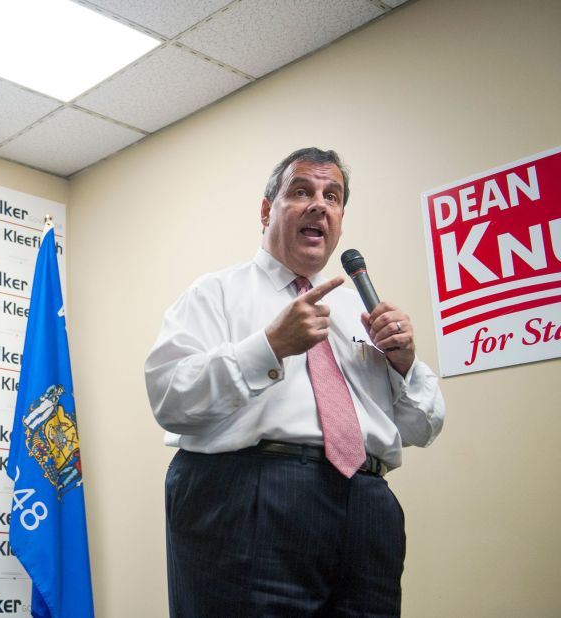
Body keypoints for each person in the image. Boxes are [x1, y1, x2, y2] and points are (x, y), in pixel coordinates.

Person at [144, 148, 445, 617]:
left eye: (333, 196)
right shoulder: (215, 293)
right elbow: (170, 398)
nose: (319, 205)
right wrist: (269, 346)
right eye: (301, 191)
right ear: (267, 210)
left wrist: (405, 364)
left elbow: (423, 427)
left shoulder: (360, 314)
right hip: (251, 499)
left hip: (366, 509)